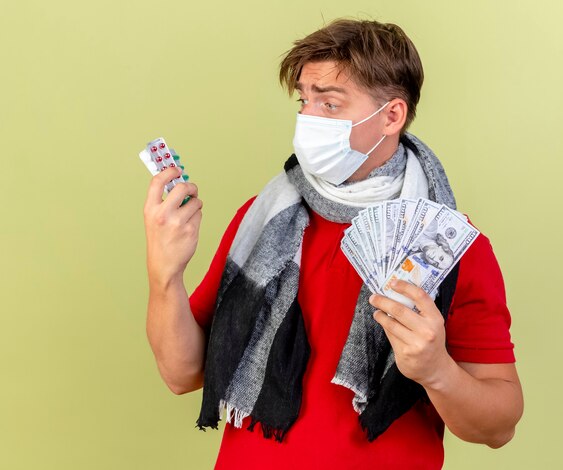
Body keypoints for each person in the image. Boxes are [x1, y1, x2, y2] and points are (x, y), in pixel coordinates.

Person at [144, 18, 523, 469]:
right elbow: (182, 373)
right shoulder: (263, 218)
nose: (308, 119)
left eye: (330, 104)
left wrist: (436, 370)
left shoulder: (450, 244)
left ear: (391, 115)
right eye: (305, 101)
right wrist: (164, 274)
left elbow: (499, 427)